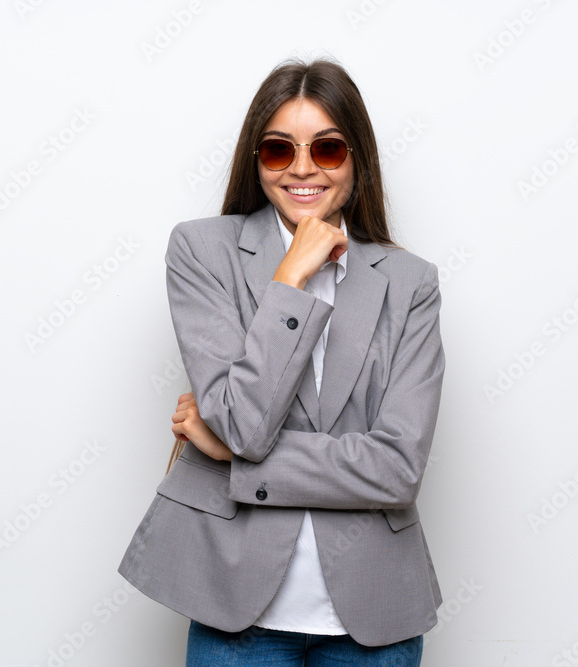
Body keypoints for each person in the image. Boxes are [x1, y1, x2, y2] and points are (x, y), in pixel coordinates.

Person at [118, 57, 445, 666]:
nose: (301, 168)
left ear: (357, 159)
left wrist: (234, 461)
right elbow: (245, 423)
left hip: (374, 611)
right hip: (234, 606)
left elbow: (397, 470)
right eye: (278, 150)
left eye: (327, 148)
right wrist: (291, 277)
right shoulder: (202, 251)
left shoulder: (410, 283)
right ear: (256, 159)